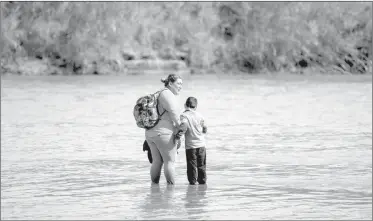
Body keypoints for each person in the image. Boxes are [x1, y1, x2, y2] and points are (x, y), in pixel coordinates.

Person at [145, 74, 183, 185]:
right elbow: (175, 115)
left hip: (150, 133)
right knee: (170, 162)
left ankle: (154, 189)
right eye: (179, 83)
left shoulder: (157, 94)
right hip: (164, 134)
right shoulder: (168, 94)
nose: (181, 86)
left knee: (157, 161)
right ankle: (170, 192)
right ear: (170, 83)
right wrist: (180, 129)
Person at [175, 97, 208, 185]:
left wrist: (177, 137)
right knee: (201, 166)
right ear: (196, 107)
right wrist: (202, 133)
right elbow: (204, 128)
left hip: (191, 146)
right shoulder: (200, 116)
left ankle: (192, 185)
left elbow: (184, 126)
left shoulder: (184, 115)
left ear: (185, 105)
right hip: (201, 145)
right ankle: (202, 184)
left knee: (191, 166)